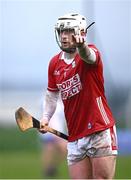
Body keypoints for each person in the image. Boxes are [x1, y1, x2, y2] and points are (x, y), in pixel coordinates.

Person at [39, 13, 118, 179]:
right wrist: (46, 117)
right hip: (75, 136)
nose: (64, 36)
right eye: (61, 32)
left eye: (69, 31)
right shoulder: (54, 63)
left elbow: (89, 56)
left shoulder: (91, 52)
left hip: (99, 130)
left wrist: (82, 47)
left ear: (81, 32)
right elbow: (52, 95)